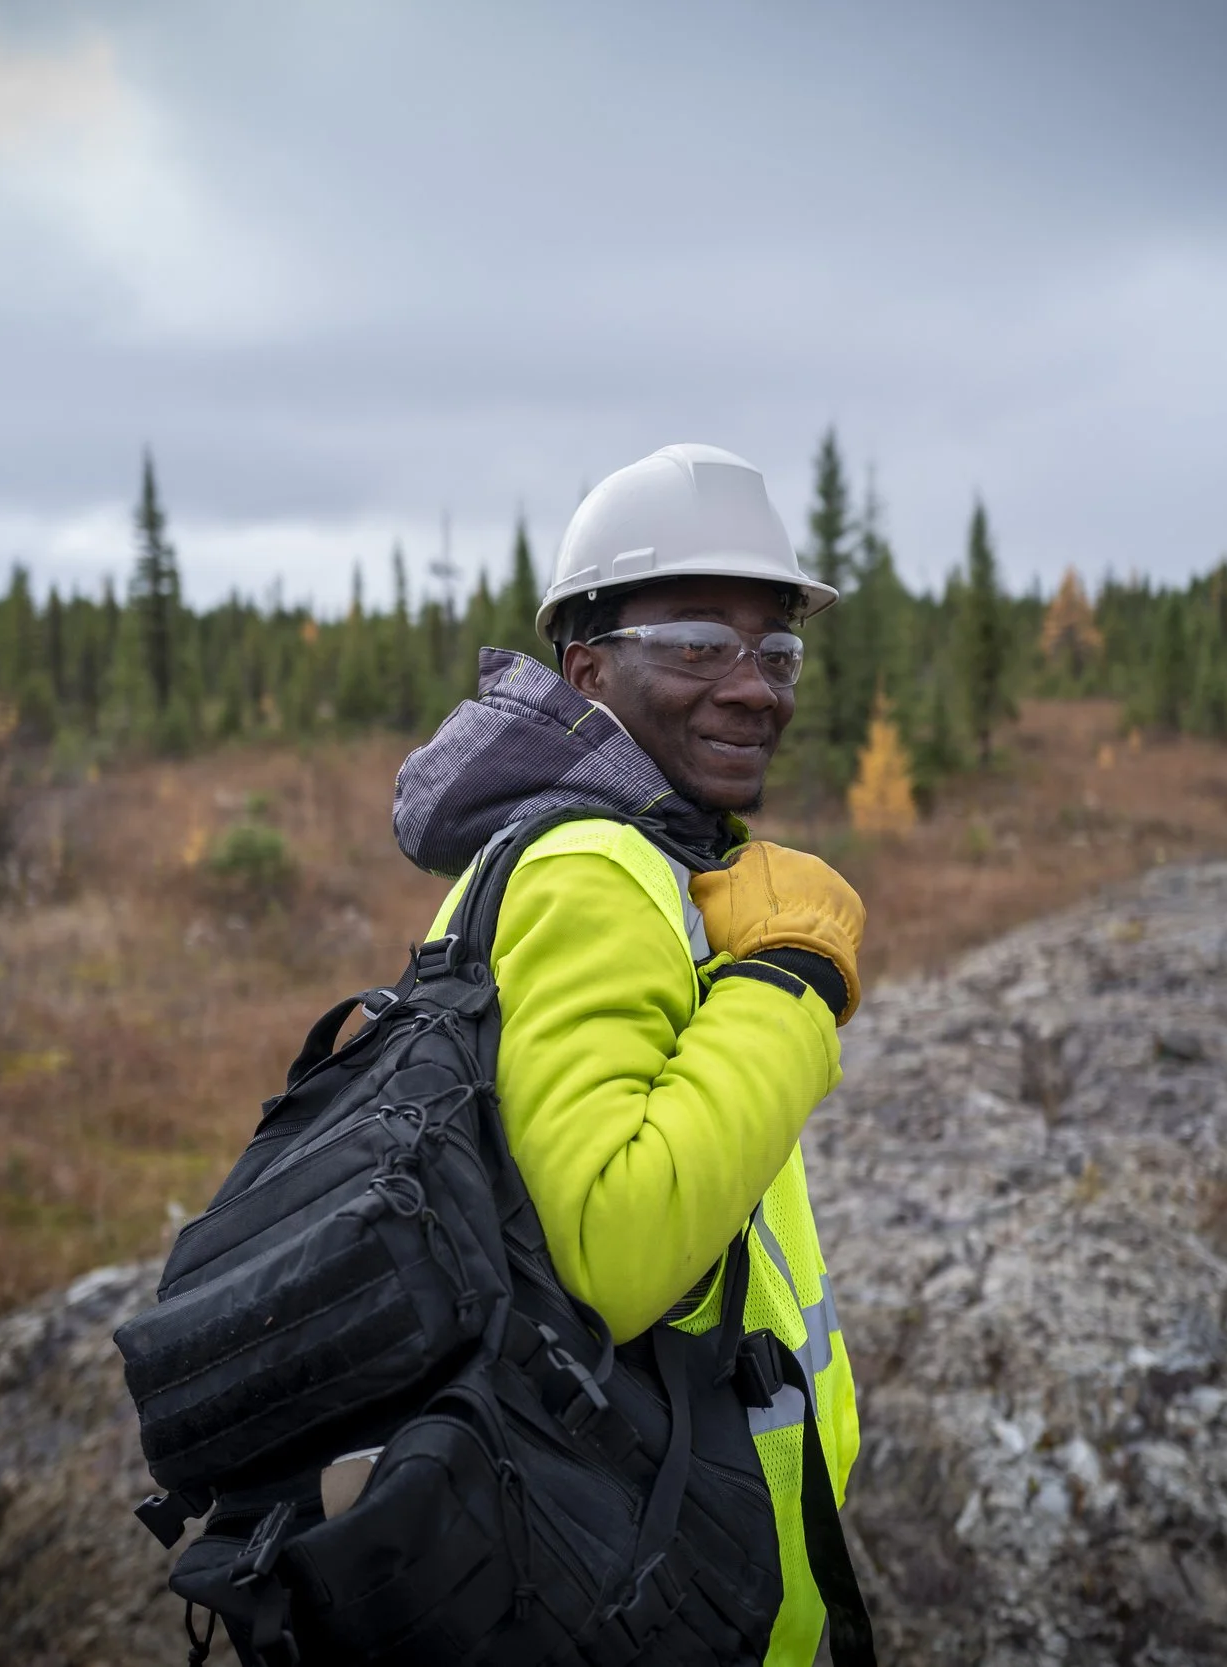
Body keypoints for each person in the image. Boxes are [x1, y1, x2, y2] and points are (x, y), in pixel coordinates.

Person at [391, 443, 867, 1667]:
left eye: (776, 649)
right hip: (646, 1579)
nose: (755, 687)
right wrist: (791, 980)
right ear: (588, 668)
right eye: (700, 642)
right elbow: (616, 1244)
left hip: (666, 1553)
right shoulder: (588, 870)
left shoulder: (638, 859)